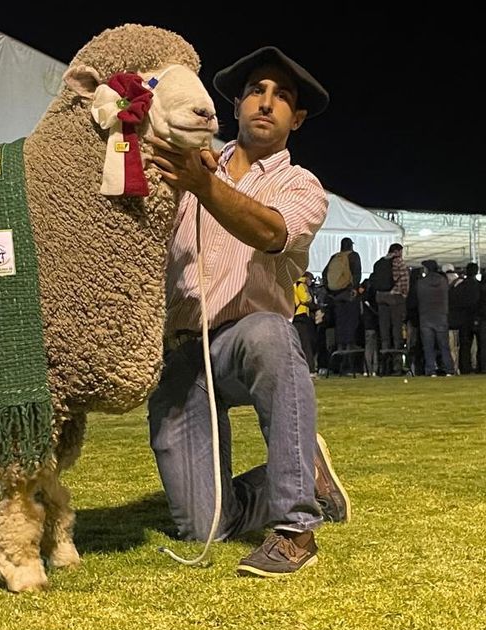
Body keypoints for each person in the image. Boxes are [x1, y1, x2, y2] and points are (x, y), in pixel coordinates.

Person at [147, 46, 349, 578]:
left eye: (281, 96)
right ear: (234, 105)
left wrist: (203, 185)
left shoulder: (300, 185)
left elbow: (272, 231)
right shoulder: (192, 166)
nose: (267, 102)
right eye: (256, 91)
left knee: (268, 334)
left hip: (244, 340)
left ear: (296, 119)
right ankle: (304, 470)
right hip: (181, 350)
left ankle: (295, 526)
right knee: (204, 526)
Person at [371, 243, 409, 374]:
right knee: (396, 331)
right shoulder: (398, 262)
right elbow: (404, 281)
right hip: (395, 298)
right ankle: (397, 366)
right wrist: (403, 295)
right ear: (398, 251)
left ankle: (384, 367)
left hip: (381, 297)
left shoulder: (379, 263)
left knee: (384, 332)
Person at [323, 237, 362, 354]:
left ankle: (340, 348)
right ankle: (349, 348)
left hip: (336, 296)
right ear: (351, 245)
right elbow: (357, 273)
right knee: (350, 321)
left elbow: (324, 274)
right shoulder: (354, 256)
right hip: (348, 293)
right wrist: (354, 288)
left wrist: (330, 291)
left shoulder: (334, 257)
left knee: (340, 322)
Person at [415, 259, 454, 376]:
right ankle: (449, 369)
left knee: (428, 346)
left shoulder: (421, 283)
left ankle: (431, 370)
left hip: (426, 317)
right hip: (441, 315)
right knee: (444, 345)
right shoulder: (443, 281)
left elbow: (418, 298)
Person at [292, 271, 318, 374]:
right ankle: (310, 369)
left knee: (297, 343)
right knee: (306, 343)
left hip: (294, 316)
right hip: (301, 316)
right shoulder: (301, 285)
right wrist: (311, 299)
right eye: (310, 280)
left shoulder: (293, 284)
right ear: (307, 278)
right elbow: (305, 299)